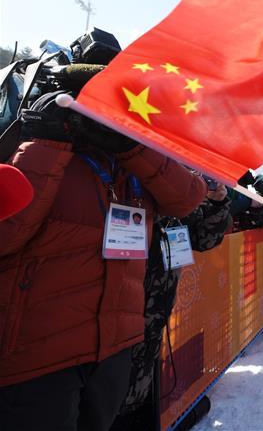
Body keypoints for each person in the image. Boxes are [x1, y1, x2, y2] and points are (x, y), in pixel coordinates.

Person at [0, 91, 206, 430]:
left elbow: (188, 197)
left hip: (113, 349)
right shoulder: (36, 140)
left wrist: (132, 145)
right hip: (39, 354)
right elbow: (7, 232)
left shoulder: (132, 162)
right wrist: (48, 138)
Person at [110, 180, 231, 431]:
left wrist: (217, 202)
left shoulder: (178, 196)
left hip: (152, 325)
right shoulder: (118, 183)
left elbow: (206, 238)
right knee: (109, 404)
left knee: (137, 400)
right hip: (110, 326)